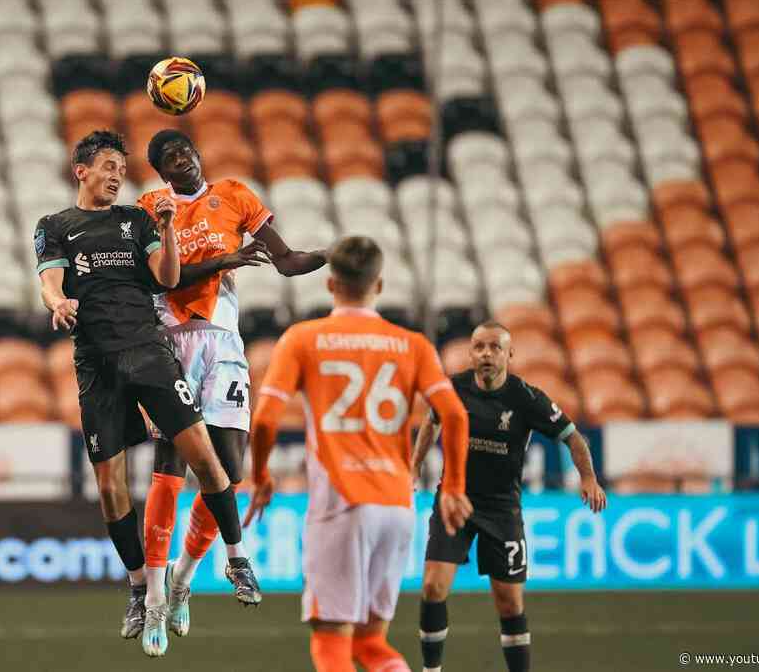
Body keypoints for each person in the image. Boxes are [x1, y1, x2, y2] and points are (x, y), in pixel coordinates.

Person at [34, 130, 261, 658]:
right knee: (112, 489)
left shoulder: (137, 220)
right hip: (96, 364)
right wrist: (58, 301)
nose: (117, 175)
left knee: (209, 460)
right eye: (108, 166)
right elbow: (49, 279)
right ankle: (140, 587)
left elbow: (168, 277)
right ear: (82, 171)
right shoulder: (55, 226)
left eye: (121, 168)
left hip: (149, 352)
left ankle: (236, 557)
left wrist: (167, 231)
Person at [245, 236, 473, 672]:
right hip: (396, 504)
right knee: (371, 644)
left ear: (331, 285)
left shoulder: (304, 338)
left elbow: (266, 419)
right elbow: (455, 416)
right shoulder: (413, 344)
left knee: (331, 644)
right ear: (380, 285)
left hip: (341, 503)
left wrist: (260, 476)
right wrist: (454, 486)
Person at [135, 128, 328, 637]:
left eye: (188, 152)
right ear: (161, 171)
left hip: (222, 342)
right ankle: (155, 597)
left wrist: (334, 255)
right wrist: (223, 260)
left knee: (230, 469)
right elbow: (161, 278)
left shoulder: (236, 195)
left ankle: (183, 578)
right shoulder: (151, 205)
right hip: (168, 341)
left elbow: (286, 261)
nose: (185, 162)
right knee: (170, 467)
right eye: (172, 159)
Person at [413, 321, 607, 672]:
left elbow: (573, 438)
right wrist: (413, 468)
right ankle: (431, 670)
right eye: (479, 347)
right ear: (471, 353)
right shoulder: (452, 388)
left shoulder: (526, 398)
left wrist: (589, 478)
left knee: (509, 604)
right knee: (432, 587)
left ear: (509, 354)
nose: (486, 354)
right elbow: (431, 423)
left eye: (494, 347)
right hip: (454, 501)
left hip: (502, 510)